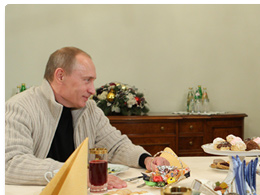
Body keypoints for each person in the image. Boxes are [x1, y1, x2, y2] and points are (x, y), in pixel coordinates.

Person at [5, 47, 169, 186]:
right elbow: (10, 164)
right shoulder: (20, 107)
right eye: (87, 80)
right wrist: (78, 174)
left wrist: (146, 160)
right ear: (60, 76)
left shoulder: (90, 109)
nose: (92, 90)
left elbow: (116, 146)